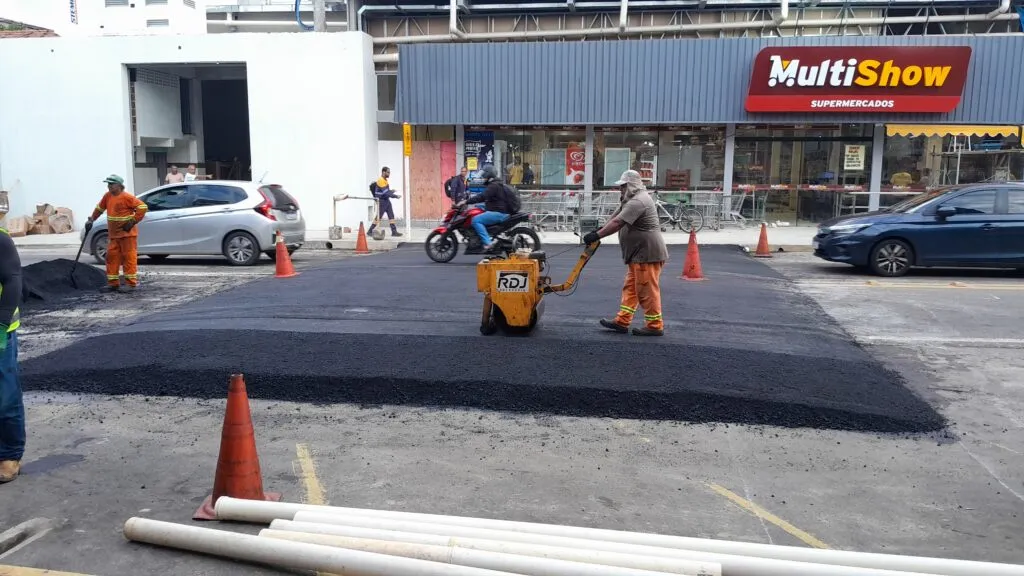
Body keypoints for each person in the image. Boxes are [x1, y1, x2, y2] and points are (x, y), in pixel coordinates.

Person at [583, 169, 669, 337]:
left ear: (631, 185)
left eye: (623, 186)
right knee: (630, 288)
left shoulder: (639, 201)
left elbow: (617, 223)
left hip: (647, 254)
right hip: (637, 254)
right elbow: (614, 217)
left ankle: (654, 325)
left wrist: (597, 235)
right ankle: (622, 321)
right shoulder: (629, 200)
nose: (620, 190)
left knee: (647, 290)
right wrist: (599, 229)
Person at [86, 175, 148, 292]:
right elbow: (100, 208)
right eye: (108, 184)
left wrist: (133, 221)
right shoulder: (107, 196)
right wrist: (91, 219)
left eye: (111, 184)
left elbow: (142, 207)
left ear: (119, 185)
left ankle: (131, 284)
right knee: (111, 258)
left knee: (128, 258)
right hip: (114, 235)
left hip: (127, 235)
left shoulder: (126, 197)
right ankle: (113, 283)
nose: (108, 186)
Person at [0, 227, 23, 483]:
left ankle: (10, 455)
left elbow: (13, 280)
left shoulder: (0, 239)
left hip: (1, 331)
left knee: (5, 396)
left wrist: (1, 327)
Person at [457, 164, 510, 251]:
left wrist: (466, 201)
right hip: (498, 208)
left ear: (489, 175)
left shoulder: (493, 186)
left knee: (476, 220)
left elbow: (482, 197)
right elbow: (489, 200)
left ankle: (488, 243)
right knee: (477, 207)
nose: (483, 178)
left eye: (484, 176)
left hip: (499, 212)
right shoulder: (496, 184)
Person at [368, 167, 403, 238]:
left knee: (391, 215)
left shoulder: (385, 180)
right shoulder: (380, 180)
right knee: (379, 217)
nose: (389, 174)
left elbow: (386, 192)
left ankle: (394, 232)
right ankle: (370, 231)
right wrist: (396, 196)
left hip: (386, 200)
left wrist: (391, 191)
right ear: (383, 172)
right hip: (382, 201)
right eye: (388, 172)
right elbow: (385, 193)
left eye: (389, 172)